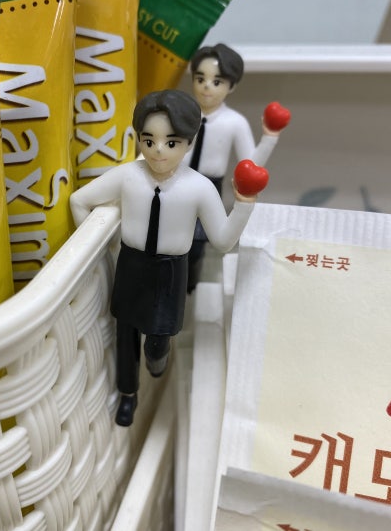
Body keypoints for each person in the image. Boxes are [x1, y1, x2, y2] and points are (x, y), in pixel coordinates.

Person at [70, 89, 262, 426]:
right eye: (149, 140)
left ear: (189, 142)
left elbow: (222, 240)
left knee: (158, 341)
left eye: (171, 142)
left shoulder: (199, 187)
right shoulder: (128, 175)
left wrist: (243, 206)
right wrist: (98, 252)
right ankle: (128, 394)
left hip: (171, 272)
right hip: (131, 263)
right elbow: (79, 200)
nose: (158, 150)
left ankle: (158, 356)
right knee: (126, 333)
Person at [184, 43, 289, 292]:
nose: (207, 86)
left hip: (209, 187)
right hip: (178, 179)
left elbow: (249, 164)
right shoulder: (183, 113)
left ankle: (190, 287)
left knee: (197, 243)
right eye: (200, 78)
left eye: (217, 81)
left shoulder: (235, 122)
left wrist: (269, 137)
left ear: (231, 86)